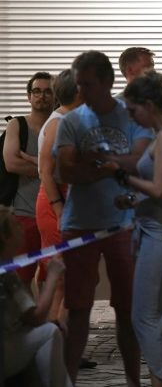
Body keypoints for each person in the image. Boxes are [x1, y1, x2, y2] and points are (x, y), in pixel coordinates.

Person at [55, 50, 153, 386]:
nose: (81, 91)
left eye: (88, 84)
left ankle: (133, 380)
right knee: (78, 307)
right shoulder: (71, 121)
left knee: (127, 308)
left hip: (123, 222)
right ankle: (67, 380)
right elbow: (65, 171)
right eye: (78, 84)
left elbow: (141, 161)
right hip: (79, 223)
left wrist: (94, 161)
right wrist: (110, 167)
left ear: (108, 82)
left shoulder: (132, 116)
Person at [103, 71, 162, 387]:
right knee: (159, 316)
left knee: (146, 317)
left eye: (133, 110)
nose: (131, 117)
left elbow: (160, 188)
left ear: (148, 105)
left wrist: (121, 175)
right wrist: (134, 198)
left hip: (161, 235)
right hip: (159, 230)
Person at [0, 206, 72, 387]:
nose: (21, 228)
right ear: (4, 237)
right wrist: (53, 275)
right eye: (16, 225)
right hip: (5, 352)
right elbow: (36, 316)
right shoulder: (7, 275)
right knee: (49, 332)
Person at [35, 69, 82, 326]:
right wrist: (59, 209)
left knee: (72, 276)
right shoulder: (59, 123)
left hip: (70, 199)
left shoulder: (71, 120)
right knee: (62, 276)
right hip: (57, 201)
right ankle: (55, 336)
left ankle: (62, 333)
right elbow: (45, 171)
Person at [2, 72, 54, 288]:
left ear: (56, 96)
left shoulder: (61, 125)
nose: (42, 96)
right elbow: (12, 164)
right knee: (20, 280)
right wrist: (49, 170)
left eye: (48, 91)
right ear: (29, 96)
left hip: (55, 216)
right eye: (36, 91)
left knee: (51, 280)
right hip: (24, 216)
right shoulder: (17, 125)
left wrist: (37, 166)